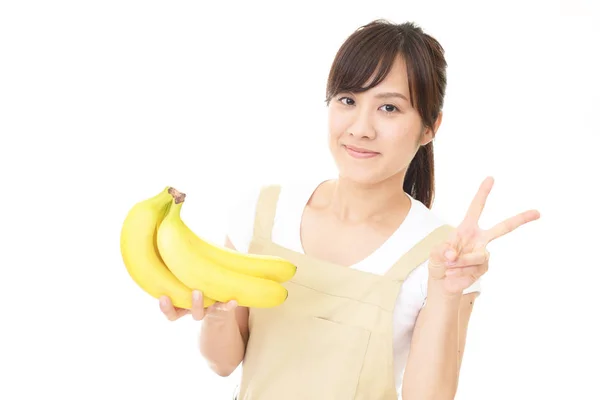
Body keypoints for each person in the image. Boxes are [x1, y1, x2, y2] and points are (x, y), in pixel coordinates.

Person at [158, 19, 540, 399]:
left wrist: (446, 290)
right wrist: (217, 314)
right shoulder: (263, 213)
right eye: (348, 100)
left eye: (389, 107)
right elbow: (224, 363)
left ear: (429, 127)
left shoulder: (446, 256)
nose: (360, 128)